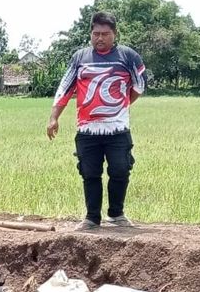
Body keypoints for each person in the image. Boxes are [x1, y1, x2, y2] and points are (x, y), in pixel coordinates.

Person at [46, 12, 146, 231]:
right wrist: (54, 117)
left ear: (114, 34)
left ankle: (116, 214)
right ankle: (92, 217)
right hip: (87, 130)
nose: (100, 38)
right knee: (89, 172)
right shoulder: (80, 58)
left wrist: (121, 106)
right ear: (90, 34)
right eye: (96, 34)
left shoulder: (128, 56)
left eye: (105, 34)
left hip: (118, 129)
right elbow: (65, 88)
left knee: (120, 169)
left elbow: (139, 86)